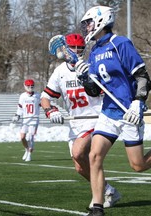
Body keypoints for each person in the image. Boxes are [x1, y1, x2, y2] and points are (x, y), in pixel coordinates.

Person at [75, 6, 151, 216]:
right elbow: (95, 91)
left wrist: (137, 102)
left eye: (88, 22)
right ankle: (97, 207)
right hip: (108, 113)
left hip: (128, 110)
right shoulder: (94, 52)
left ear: (101, 20)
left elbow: (142, 77)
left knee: (138, 165)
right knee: (94, 156)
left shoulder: (120, 44)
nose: (86, 27)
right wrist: (85, 78)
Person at [41, 33, 121, 208]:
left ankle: (97, 199)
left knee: (79, 152)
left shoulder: (91, 65)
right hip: (75, 123)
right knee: (79, 167)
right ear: (66, 49)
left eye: (80, 48)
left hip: (95, 118)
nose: (77, 51)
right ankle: (108, 191)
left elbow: (107, 90)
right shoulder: (60, 72)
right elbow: (45, 97)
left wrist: (89, 76)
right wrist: (50, 111)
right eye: (73, 47)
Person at [12, 79, 40, 162]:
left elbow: (43, 104)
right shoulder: (22, 96)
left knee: (31, 137)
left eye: (32, 86)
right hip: (25, 119)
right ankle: (27, 149)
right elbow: (20, 107)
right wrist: (17, 115)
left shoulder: (38, 95)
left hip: (34, 119)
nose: (30, 88)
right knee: (22, 137)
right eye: (28, 86)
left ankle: (30, 154)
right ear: (25, 86)